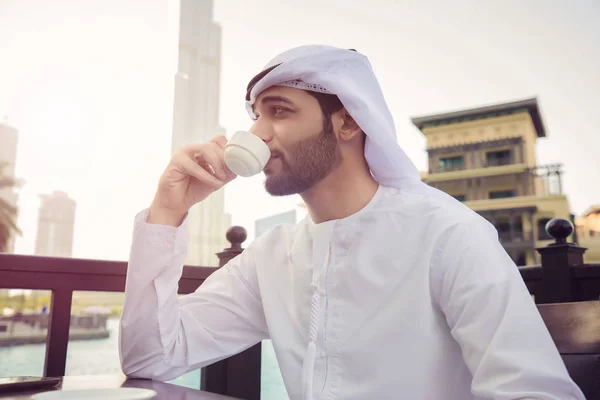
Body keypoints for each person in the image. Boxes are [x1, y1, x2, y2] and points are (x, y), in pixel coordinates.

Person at [119, 45, 584, 400]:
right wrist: (167, 210)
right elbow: (152, 357)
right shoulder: (270, 257)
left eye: (279, 110)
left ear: (347, 123)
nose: (256, 133)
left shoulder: (447, 235)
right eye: (256, 115)